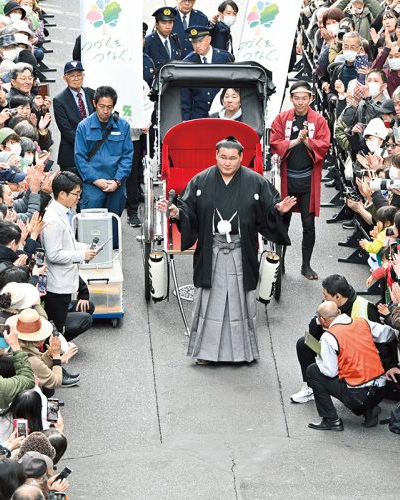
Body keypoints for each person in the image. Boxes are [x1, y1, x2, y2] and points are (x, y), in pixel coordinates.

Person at [157, 137, 295, 364]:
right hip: (212, 249)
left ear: (241, 158)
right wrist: (175, 213)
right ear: (216, 156)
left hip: (242, 248)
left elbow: (270, 209)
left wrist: (279, 210)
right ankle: (205, 353)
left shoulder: (256, 182)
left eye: (233, 158)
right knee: (210, 301)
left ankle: (243, 352)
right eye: (223, 157)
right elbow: (187, 209)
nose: (227, 163)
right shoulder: (201, 180)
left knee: (241, 300)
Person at [269, 80, 331, 280]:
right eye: (296, 98)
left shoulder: (319, 120)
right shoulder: (282, 118)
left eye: (304, 98)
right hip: (288, 179)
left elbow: (324, 145)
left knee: (308, 224)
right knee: (283, 222)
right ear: (291, 99)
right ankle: (281, 263)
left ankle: (306, 265)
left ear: (311, 99)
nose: (300, 102)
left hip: (307, 181)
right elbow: (274, 143)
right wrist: (297, 141)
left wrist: (307, 141)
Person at [305, 301, 387, 431]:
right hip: (381, 389)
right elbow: (388, 333)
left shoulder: (328, 336)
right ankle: (369, 409)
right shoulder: (361, 322)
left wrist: (320, 357)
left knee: (313, 371)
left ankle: (331, 419)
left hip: (358, 394)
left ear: (322, 320)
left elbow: (330, 372)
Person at [41, 171, 100, 336]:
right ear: (62, 194)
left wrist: (86, 248)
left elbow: (70, 244)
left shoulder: (63, 213)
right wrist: (82, 256)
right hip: (57, 285)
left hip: (65, 280)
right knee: (58, 327)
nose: (78, 197)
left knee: (86, 307)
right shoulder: (53, 220)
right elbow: (54, 255)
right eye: (76, 194)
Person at [74, 85, 134, 221]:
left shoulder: (123, 126)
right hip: (93, 183)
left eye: (109, 107)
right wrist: (96, 180)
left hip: (116, 183)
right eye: (102, 106)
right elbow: (80, 158)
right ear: (94, 103)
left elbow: (127, 156)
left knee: (113, 224)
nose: (105, 111)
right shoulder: (83, 126)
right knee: (91, 224)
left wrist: (117, 181)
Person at [181, 26, 234, 121]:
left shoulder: (225, 58)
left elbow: (233, 86)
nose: (197, 46)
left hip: (222, 114)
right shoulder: (188, 62)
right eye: (194, 42)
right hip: (198, 116)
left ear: (209, 39)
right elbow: (186, 97)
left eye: (200, 41)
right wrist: (186, 121)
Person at [52, 61, 94, 175]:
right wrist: (87, 145)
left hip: (95, 153)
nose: (76, 79)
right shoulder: (59, 100)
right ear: (65, 78)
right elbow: (66, 129)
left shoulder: (91, 93)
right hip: (71, 154)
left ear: (83, 76)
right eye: (72, 75)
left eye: (79, 75)